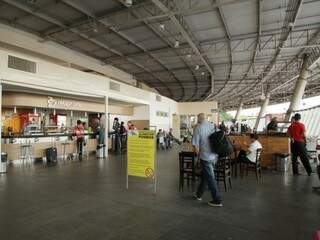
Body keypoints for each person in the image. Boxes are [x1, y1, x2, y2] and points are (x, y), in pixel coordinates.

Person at [192, 113, 222, 207]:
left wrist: (197, 158)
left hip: (205, 157)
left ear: (199, 119)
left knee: (210, 178)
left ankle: (217, 199)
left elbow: (195, 145)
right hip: (214, 156)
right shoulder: (213, 125)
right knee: (206, 176)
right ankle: (198, 194)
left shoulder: (198, 128)